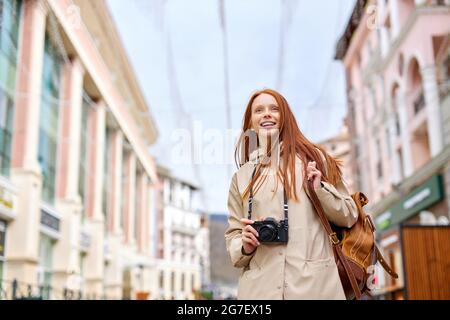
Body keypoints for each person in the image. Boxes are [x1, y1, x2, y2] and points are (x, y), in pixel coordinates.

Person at [225, 88, 358, 300]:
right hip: (259, 292)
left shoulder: (315, 160)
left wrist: (319, 190)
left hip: (315, 289)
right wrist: (245, 245)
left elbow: (350, 214)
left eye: (274, 109)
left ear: (285, 117)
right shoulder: (240, 178)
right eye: (259, 110)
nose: (267, 114)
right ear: (250, 123)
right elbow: (233, 236)